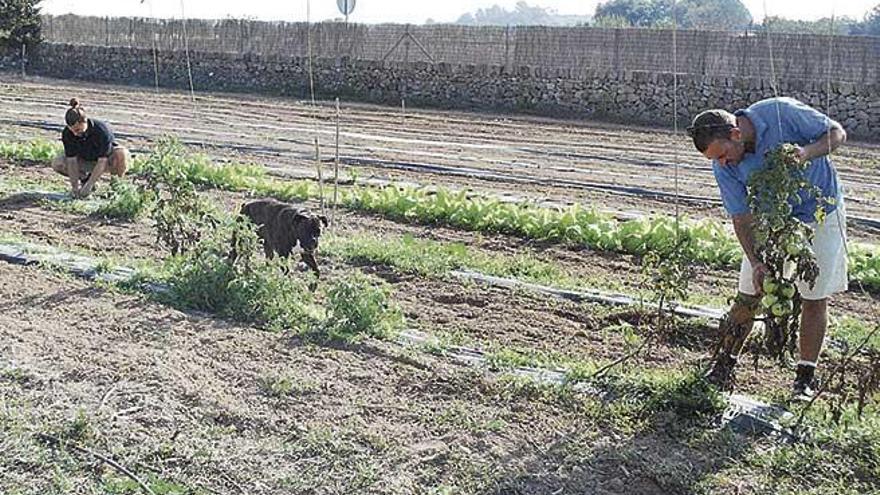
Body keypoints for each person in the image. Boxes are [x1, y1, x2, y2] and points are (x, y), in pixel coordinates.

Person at [686, 96, 848, 399]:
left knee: (814, 295)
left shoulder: (781, 112)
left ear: (735, 134)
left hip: (820, 211)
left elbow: (836, 133)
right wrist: (756, 260)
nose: (722, 163)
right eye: (715, 159)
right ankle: (723, 365)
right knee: (749, 294)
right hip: (771, 219)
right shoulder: (724, 166)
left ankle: (805, 377)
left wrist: (805, 153)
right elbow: (741, 217)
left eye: (722, 155)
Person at [51, 98, 129, 198]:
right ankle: (85, 179)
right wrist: (75, 187)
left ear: (85, 121)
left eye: (78, 129)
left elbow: (102, 161)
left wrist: (89, 185)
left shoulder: (101, 130)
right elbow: (72, 161)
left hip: (107, 163)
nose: (75, 133)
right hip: (86, 161)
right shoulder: (67, 134)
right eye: (72, 130)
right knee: (58, 162)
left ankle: (115, 187)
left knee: (121, 153)